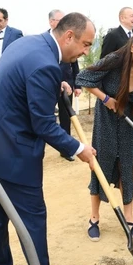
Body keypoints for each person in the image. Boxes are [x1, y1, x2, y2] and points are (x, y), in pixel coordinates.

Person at [0, 12, 97, 265]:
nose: (85, 52)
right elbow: (43, 124)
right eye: (86, 44)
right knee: (33, 217)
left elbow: (23, 82)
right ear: (68, 36)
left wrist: (56, 86)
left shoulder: (28, 44)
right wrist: (79, 149)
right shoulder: (46, 64)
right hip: (13, 150)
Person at [76, 31, 133, 242]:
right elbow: (84, 78)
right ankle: (94, 219)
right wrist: (106, 99)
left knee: (126, 170)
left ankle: (129, 220)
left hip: (127, 125)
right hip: (107, 122)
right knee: (100, 166)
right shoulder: (114, 60)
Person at [100, 7, 133, 157]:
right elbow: (104, 61)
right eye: (131, 16)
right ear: (122, 18)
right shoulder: (113, 35)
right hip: (117, 87)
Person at [50, 9, 82, 161]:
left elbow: (75, 64)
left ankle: (66, 149)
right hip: (48, 84)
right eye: (59, 20)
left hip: (66, 86)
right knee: (47, 117)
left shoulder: (70, 39)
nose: (63, 22)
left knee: (65, 117)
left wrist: (77, 85)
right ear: (51, 22)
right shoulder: (46, 40)